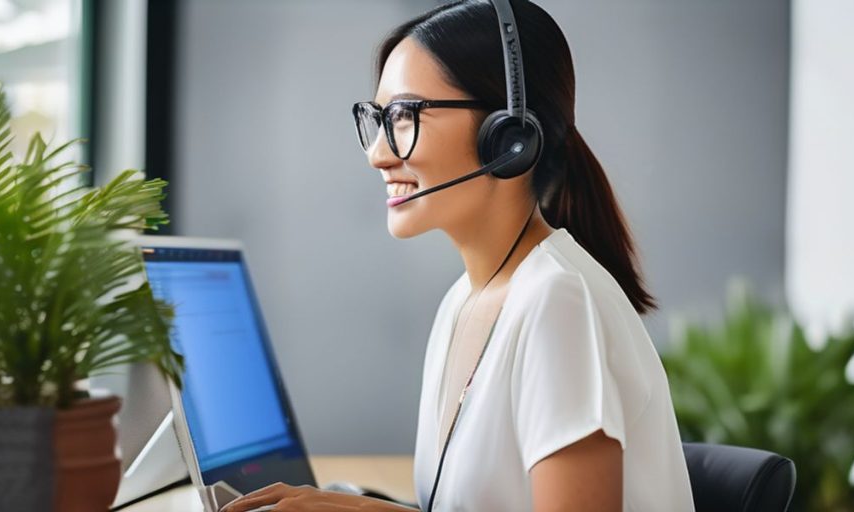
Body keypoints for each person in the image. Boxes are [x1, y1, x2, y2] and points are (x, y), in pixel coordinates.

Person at [223, 1, 694, 510]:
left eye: (403, 115)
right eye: (377, 118)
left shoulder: (558, 302)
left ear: (508, 138)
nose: (377, 153)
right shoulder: (462, 303)